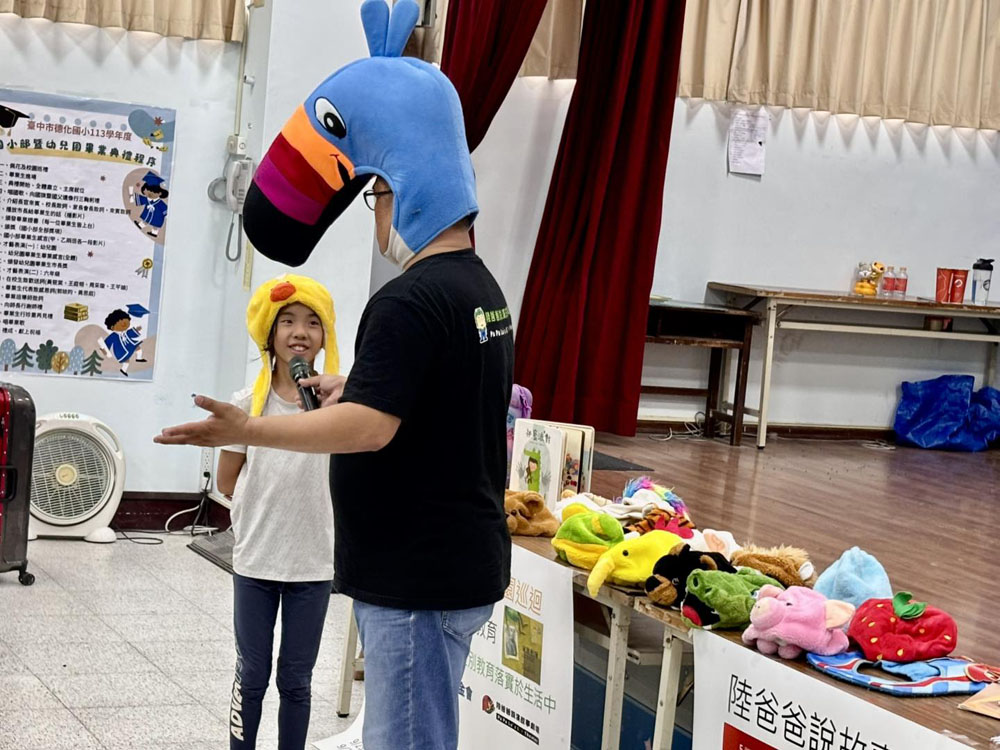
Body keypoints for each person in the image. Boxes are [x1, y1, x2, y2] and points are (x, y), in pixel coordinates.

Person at [156, 176, 513, 749]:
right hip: (440, 564)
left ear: (409, 197)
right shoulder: (479, 286)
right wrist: (359, 389)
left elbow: (369, 430)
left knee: (394, 732)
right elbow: (436, 401)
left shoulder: (407, 299)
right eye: (287, 322)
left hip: (411, 580)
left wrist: (248, 429)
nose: (376, 218)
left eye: (377, 198)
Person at [214, 274, 341, 750]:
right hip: (256, 561)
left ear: (325, 335)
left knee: (297, 680)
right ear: (269, 332)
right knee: (251, 674)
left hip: (313, 563)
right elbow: (227, 481)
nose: (300, 332)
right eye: (287, 321)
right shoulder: (246, 405)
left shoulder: (339, 408)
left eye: (312, 322)